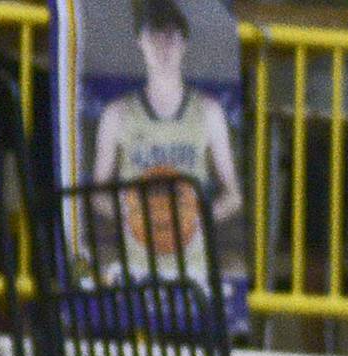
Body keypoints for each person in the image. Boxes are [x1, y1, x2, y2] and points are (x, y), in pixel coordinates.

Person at [90, 0, 242, 282]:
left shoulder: (209, 112)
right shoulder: (117, 114)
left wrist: (198, 219)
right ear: (140, 42)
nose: (163, 46)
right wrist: (129, 215)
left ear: (184, 43)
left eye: (171, 36)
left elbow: (233, 195)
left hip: (192, 271)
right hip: (137, 271)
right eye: (154, 36)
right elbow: (97, 195)